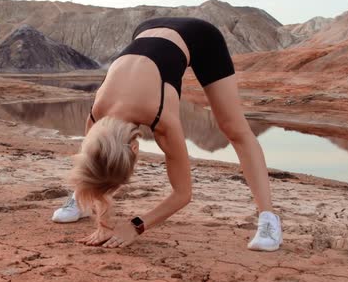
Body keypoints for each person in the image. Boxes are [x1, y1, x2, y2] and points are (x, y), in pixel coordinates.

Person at [52, 17, 282, 251]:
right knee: (98, 166)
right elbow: (94, 161)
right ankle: (82, 198)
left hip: (202, 38)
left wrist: (135, 226)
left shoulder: (161, 117)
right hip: (146, 31)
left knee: (234, 128)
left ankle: (269, 220)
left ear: (134, 148)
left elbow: (183, 194)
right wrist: (103, 221)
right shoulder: (96, 117)